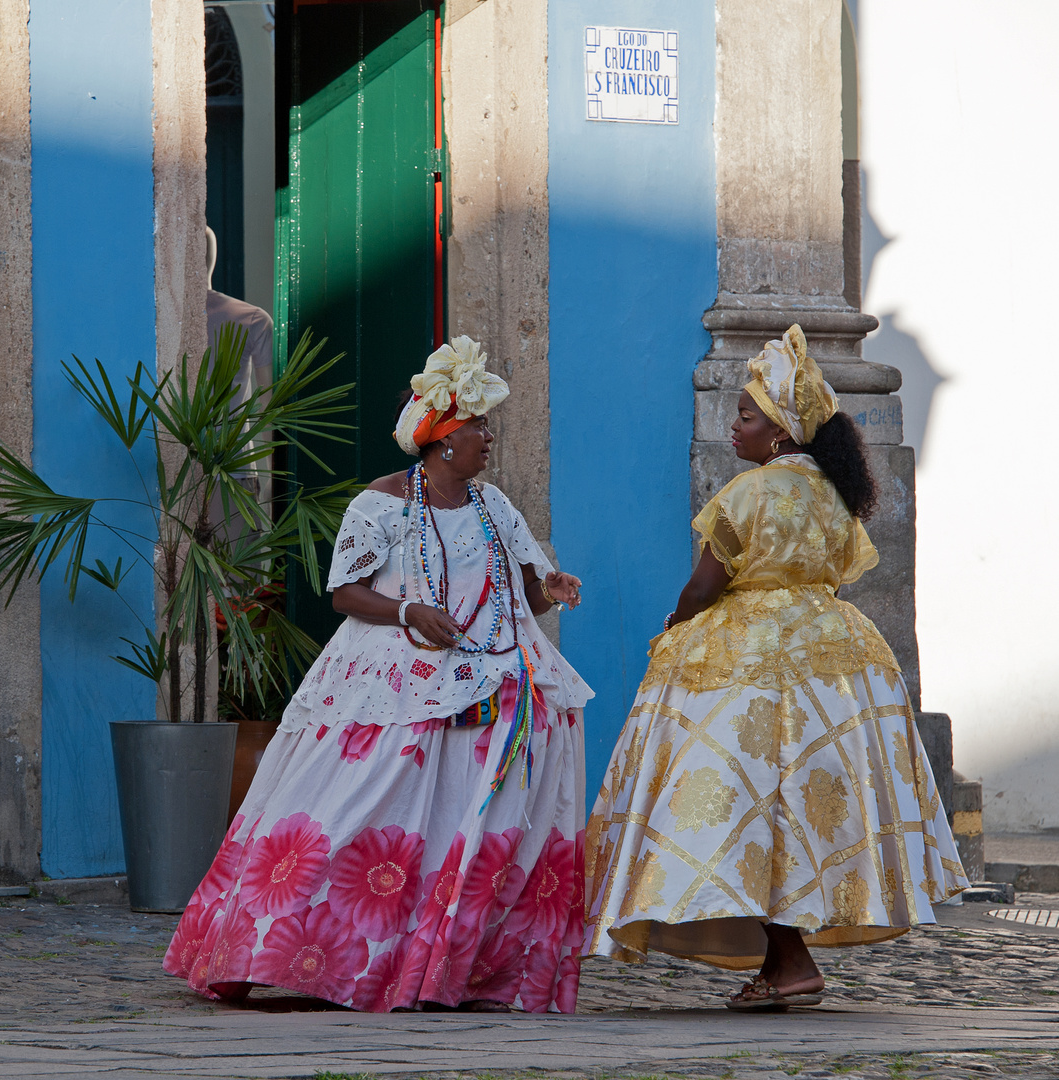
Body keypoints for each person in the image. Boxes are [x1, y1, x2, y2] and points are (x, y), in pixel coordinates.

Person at [163, 336, 596, 1013]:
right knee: (356, 812)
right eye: (476, 424)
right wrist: (407, 611)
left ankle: (453, 967)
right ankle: (274, 949)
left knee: (470, 826)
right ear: (439, 438)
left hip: (490, 682)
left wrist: (553, 587)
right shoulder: (381, 502)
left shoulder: (494, 506)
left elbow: (526, 590)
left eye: (485, 424)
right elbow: (344, 592)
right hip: (393, 683)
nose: (487, 436)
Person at [582, 325, 967, 1010]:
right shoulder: (834, 494)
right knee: (804, 806)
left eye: (746, 415)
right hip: (836, 658)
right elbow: (835, 573)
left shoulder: (748, 493)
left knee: (736, 803)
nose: (735, 427)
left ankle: (786, 961)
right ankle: (786, 958)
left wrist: (677, 624)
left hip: (744, 660)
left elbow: (705, 585)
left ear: (781, 430)